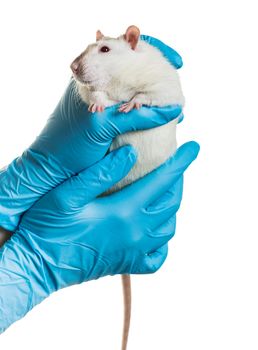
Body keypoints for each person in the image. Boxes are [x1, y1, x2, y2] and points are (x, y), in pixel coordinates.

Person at [0, 35, 199, 333]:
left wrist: (9, 197)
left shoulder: (150, 67)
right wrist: (37, 263)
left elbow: (171, 96)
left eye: (105, 49)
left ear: (133, 44)